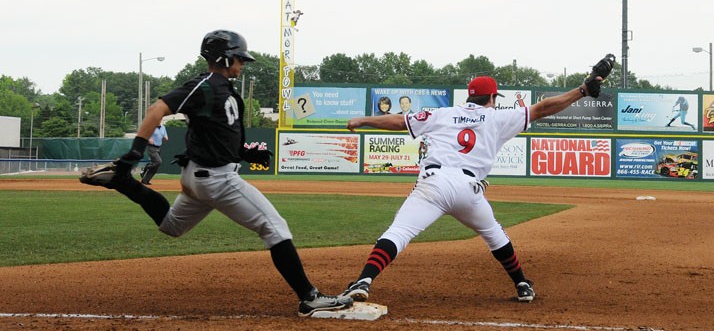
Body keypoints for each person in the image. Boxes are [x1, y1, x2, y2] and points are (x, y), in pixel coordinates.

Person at [79, 30, 352, 317]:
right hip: (217, 179)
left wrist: (244, 152)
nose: (242, 64)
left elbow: (217, 132)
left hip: (199, 177)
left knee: (171, 226)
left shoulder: (221, 88)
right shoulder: (206, 86)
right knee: (275, 228)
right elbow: (157, 109)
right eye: (239, 58)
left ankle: (125, 185)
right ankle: (309, 298)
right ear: (224, 57)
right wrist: (134, 153)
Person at [340, 54, 615, 304]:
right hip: (468, 189)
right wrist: (582, 90)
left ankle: (364, 280)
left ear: (470, 97)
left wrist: (364, 120)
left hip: (433, 183)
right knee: (494, 235)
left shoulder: (441, 114)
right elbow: (543, 108)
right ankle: (522, 284)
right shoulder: (497, 118)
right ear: (492, 98)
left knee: (398, 233)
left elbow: (400, 121)